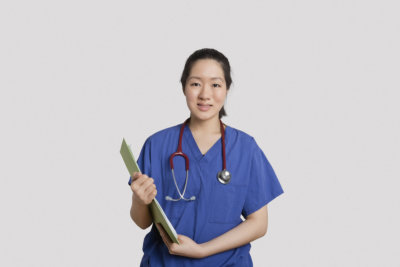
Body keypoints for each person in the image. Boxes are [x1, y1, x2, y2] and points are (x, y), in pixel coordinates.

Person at [128, 48, 284, 266]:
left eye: (216, 84)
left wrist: (202, 251)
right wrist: (138, 200)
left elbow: (258, 224)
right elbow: (143, 221)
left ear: (227, 89)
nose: (205, 94)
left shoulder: (246, 148)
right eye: (195, 83)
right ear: (184, 87)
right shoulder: (157, 144)